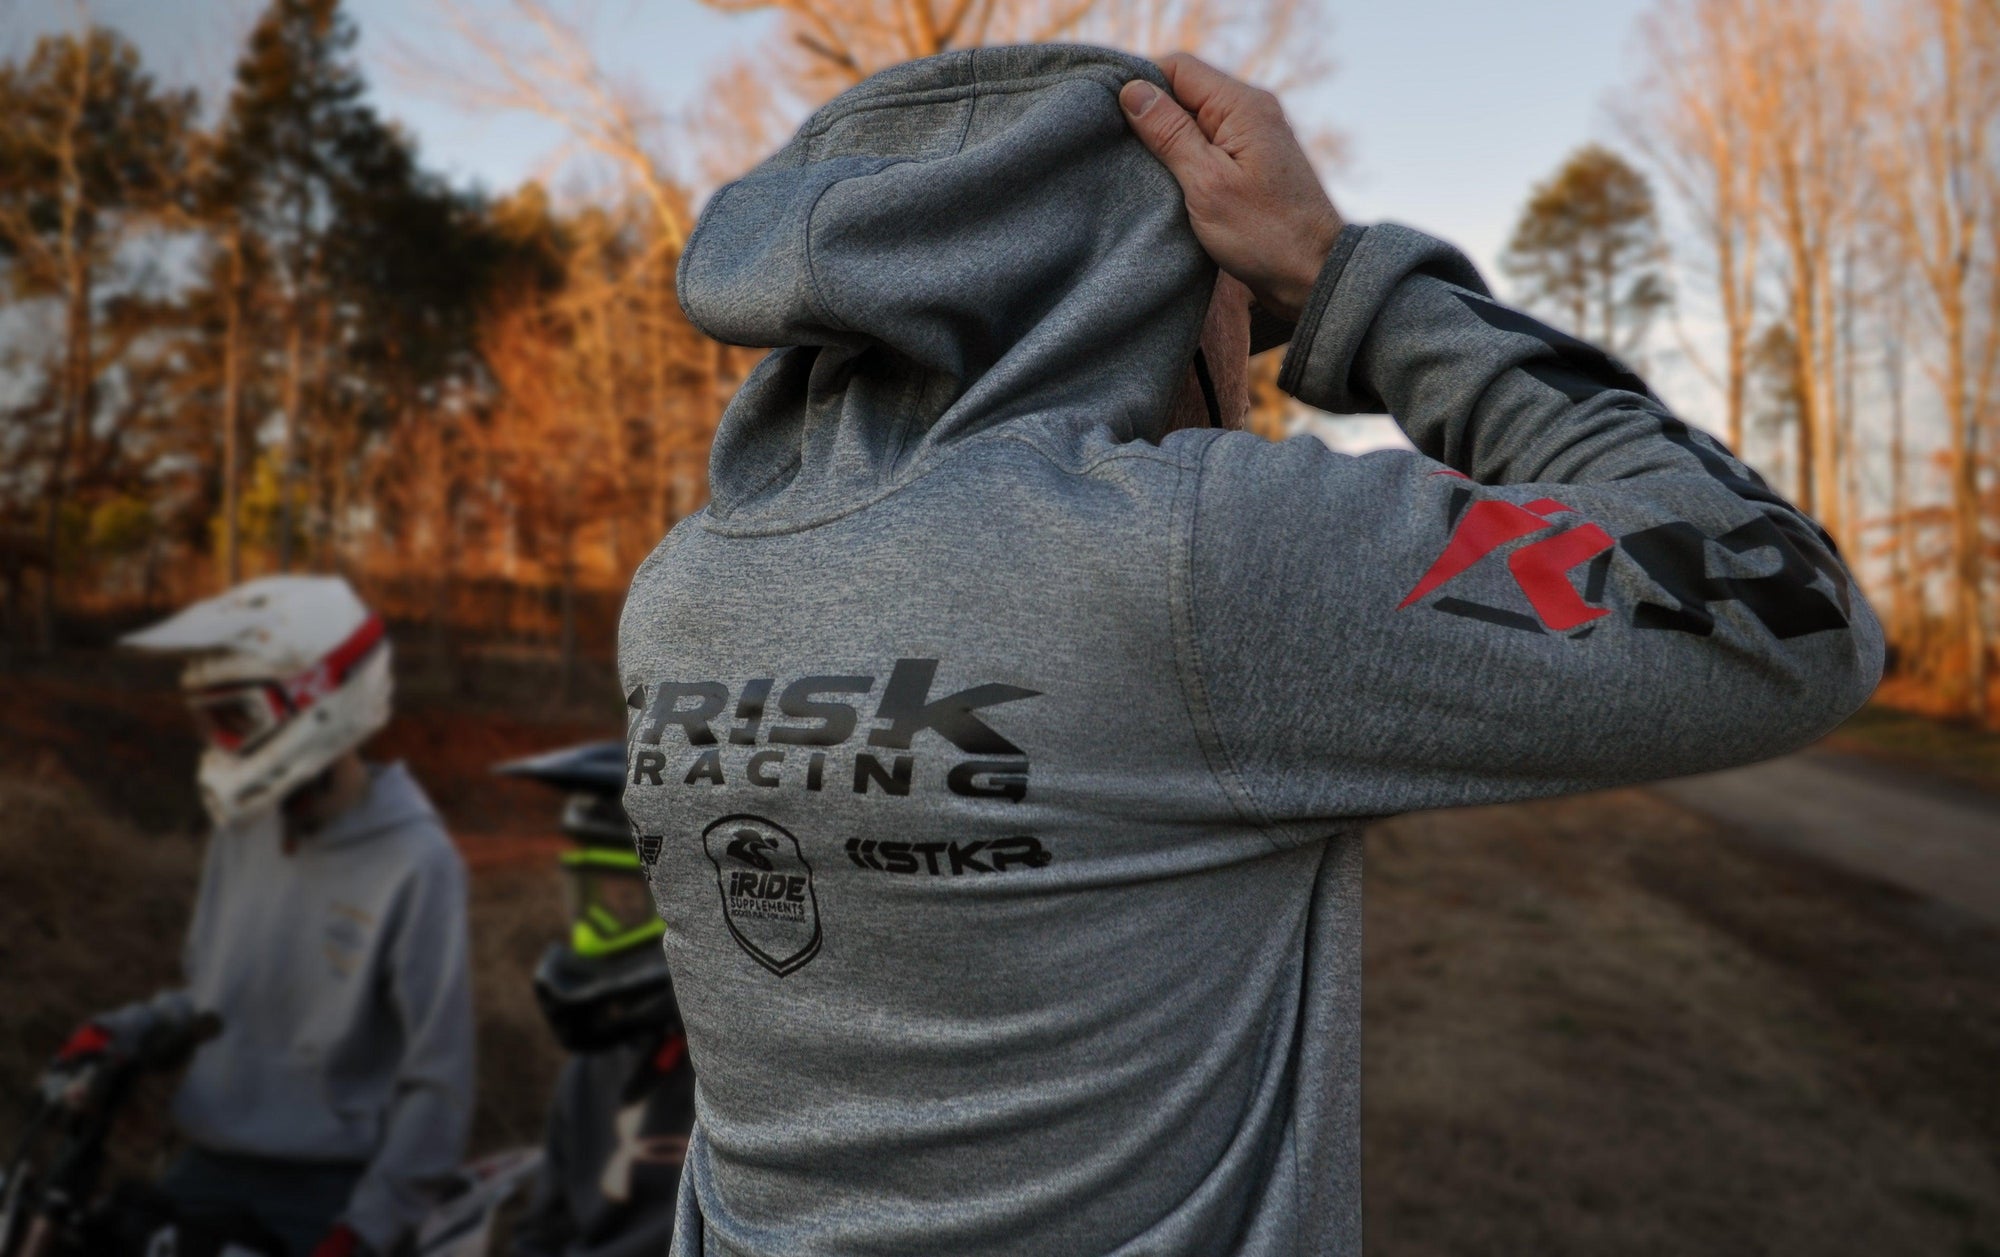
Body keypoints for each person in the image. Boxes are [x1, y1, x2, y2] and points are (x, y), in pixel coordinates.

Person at [616, 46, 1882, 1257]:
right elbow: (1790, 610)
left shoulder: (680, 587)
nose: (1252, 356)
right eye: (1227, 298)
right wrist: (1344, 277)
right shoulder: (1185, 553)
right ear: (1120, 293)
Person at [59, 575, 475, 1257]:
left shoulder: (416, 861)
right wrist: (123, 1032)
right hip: (208, 1163)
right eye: (210, 726)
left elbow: (439, 1079)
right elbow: (213, 995)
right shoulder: (244, 829)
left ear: (315, 700)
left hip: (325, 1189)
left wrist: (365, 1229)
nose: (221, 746)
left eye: (234, 722)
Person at [496, 742, 694, 1257]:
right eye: (593, 901)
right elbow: (544, 1230)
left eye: (625, 901)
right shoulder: (594, 1067)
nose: (600, 924)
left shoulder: (729, 1076)